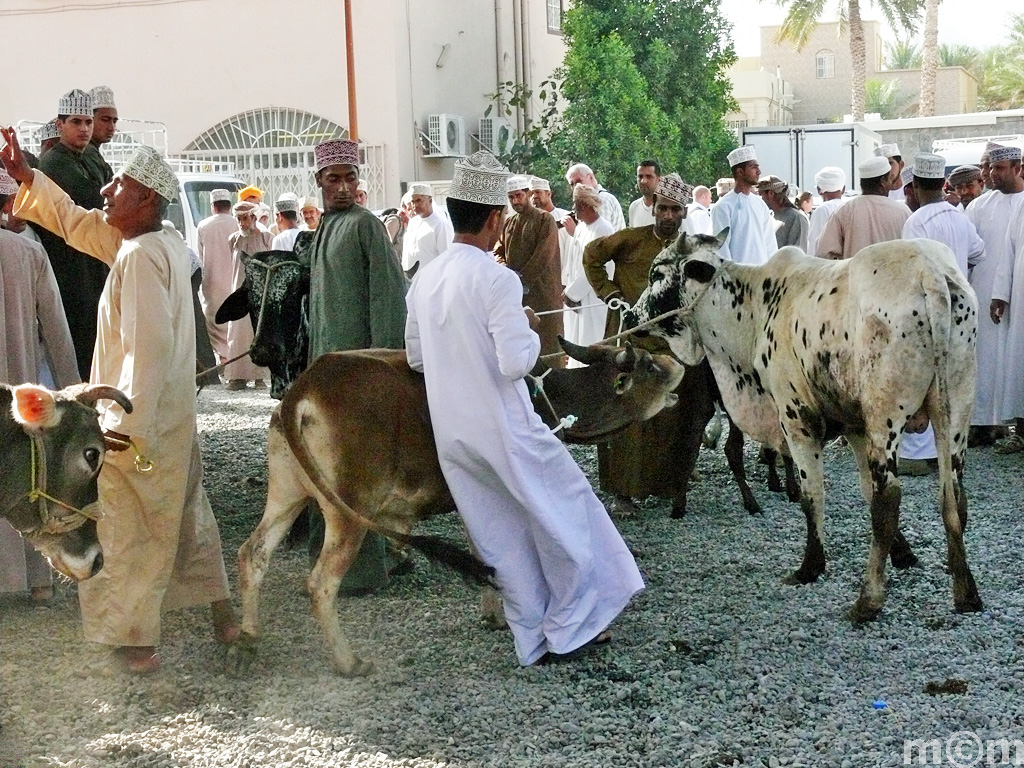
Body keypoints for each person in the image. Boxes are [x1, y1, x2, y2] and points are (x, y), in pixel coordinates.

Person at [2, 130, 237, 674]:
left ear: (146, 201)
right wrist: (28, 178)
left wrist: (117, 424)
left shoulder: (141, 256)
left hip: (140, 423)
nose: (105, 190)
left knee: (126, 529)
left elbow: (148, 350)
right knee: (183, 517)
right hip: (172, 418)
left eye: (118, 185)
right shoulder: (157, 243)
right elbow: (79, 224)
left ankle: (135, 645)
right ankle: (223, 615)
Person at [404, 149, 644, 666]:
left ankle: (534, 631)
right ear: (493, 219)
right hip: (504, 425)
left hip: (454, 433)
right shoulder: (497, 280)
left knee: (500, 533)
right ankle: (577, 622)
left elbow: (418, 358)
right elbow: (517, 363)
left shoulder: (426, 279)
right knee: (567, 508)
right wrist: (531, 328)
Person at [306, 137, 409, 593]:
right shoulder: (326, 228)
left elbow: (390, 299)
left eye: (350, 178)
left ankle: (361, 574)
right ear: (319, 183)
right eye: (334, 179)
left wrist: (381, 367)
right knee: (323, 467)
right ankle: (343, 563)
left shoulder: (366, 225)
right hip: (327, 369)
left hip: (358, 372)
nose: (344, 187)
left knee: (352, 473)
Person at [582, 173, 696, 517]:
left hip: (670, 342)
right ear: (654, 208)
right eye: (662, 208)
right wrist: (610, 294)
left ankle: (664, 484)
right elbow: (591, 256)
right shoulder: (630, 240)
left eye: (674, 210)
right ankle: (622, 492)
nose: (667, 215)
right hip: (629, 341)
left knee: (668, 414)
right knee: (626, 414)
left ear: (683, 213)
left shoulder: (691, 249)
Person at [0, 167, 80, 604]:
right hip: (19, 392)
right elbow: (56, 327)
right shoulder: (28, 253)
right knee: (27, 472)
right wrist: (70, 392)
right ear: (8, 204)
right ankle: (39, 581)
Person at [899, 152, 986, 475]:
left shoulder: (917, 222)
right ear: (944, 184)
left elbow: (910, 270)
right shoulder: (959, 217)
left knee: (922, 380)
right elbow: (980, 251)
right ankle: (948, 450)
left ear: (917, 186)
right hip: (960, 311)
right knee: (952, 378)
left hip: (926, 310)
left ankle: (917, 454)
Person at [36, 89, 110, 380]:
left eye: (87, 123)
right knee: (79, 339)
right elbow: (94, 200)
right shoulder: (54, 162)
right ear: (60, 125)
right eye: (76, 122)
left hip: (93, 263)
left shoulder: (91, 158)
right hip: (69, 267)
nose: (84, 129)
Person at [975, 145, 1024, 451]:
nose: (993, 174)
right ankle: (1011, 429)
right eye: (992, 168)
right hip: (1016, 297)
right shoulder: (983, 205)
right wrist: (999, 295)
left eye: (1001, 168)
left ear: (1019, 168)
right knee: (1012, 361)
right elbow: (1008, 251)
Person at [493, 175, 564, 365]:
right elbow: (498, 251)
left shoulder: (545, 220)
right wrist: (507, 273)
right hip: (517, 296)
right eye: (511, 198)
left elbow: (543, 255)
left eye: (518, 196)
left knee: (548, 345)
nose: (515, 201)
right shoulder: (509, 222)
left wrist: (521, 280)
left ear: (528, 194)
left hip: (543, 294)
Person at [815, 156, 910, 260]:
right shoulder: (903, 212)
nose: (891, 183)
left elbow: (825, 253)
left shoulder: (844, 211)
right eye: (889, 179)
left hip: (855, 275)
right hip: (892, 276)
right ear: (883, 181)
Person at [562, 184, 614, 357]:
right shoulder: (582, 228)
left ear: (584, 205)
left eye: (575, 204)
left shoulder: (603, 229)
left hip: (594, 297)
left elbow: (595, 267)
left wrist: (573, 293)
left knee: (592, 342)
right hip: (578, 297)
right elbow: (574, 261)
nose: (573, 210)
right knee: (576, 341)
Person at [224, 201, 272, 390]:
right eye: (238, 219)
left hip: (261, 292)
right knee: (237, 333)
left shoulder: (267, 238)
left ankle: (260, 377)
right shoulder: (233, 239)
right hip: (238, 291)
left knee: (259, 332)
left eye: (245, 218)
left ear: (254, 217)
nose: (242, 223)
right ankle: (237, 377)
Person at [195, 189, 239, 374]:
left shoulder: (203, 226)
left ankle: (224, 359)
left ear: (213, 206)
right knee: (236, 324)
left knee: (216, 322)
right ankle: (238, 364)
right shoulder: (238, 223)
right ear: (229, 205)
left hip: (212, 283)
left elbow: (200, 258)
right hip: (236, 281)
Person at [710, 145, 776, 265]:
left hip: (760, 277)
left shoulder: (760, 204)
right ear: (740, 172)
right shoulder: (723, 207)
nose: (759, 172)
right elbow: (721, 249)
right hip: (737, 279)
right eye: (753, 167)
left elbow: (769, 244)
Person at [529, 176, 574, 286]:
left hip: (561, 281)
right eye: (531, 194)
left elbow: (571, 251)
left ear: (548, 194)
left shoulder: (566, 217)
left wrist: (564, 283)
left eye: (537, 192)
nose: (534, 196)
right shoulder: (529, 221)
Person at [401, 182, 453, 271]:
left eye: (419, 201)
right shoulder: (413, 222)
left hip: (432, 280)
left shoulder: (440, 225)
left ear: (430, 201)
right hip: (412, 281)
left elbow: (446, 258)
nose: (415, 205)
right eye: (413, 202)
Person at [564, 163, 625, 233]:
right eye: (572, 184)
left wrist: (574, 232)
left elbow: (600, 234)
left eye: (579, 181)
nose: (576, 187)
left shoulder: (602, 199)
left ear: (590, 177)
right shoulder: (593, 199)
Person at [758, 175, 809, 251]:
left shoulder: (797, 218)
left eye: (761, 195)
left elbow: (797, 255)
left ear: (771, 193)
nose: (760, 199)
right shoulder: (770, 216)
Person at [806, 166, 846, 257]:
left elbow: (813, 245)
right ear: (843, 189)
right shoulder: (849, 207)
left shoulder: (822, 210)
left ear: (819, 190)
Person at [82, 86, 117, 187]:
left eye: (114, 121)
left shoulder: (94, 153)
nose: (112, 127)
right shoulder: (86, 152)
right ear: (89, 120)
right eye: (105, 120)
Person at [627, 160, 660, 227]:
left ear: (659, 180)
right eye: (640, 176)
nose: (643, 181)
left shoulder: (670, 208)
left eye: (648, 177)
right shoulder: (634, 207)